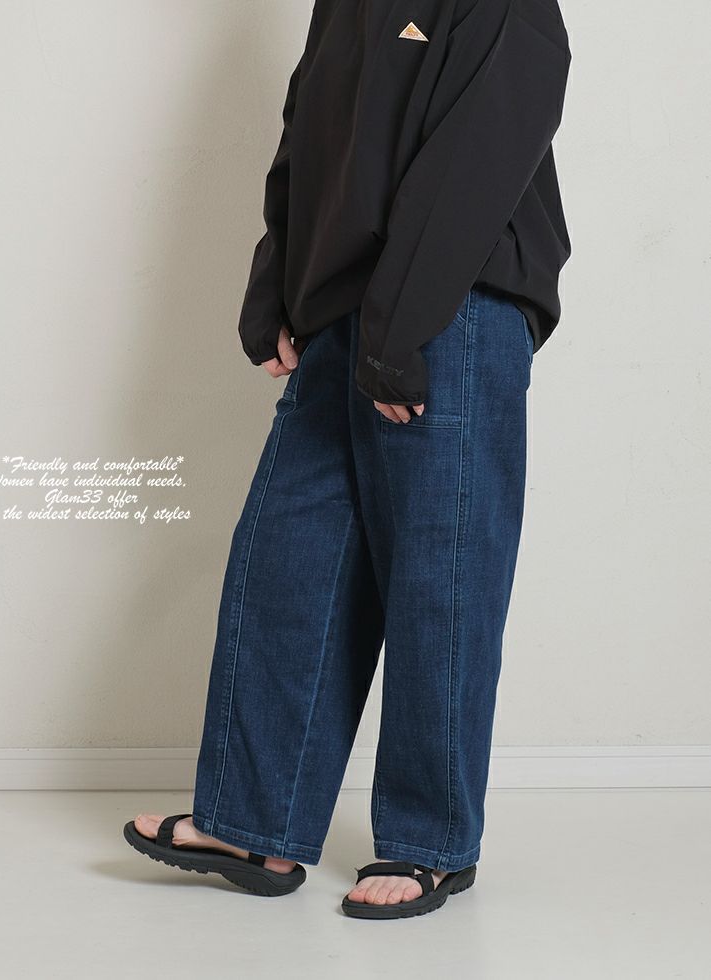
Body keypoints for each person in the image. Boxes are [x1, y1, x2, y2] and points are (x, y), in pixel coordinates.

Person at [124, 0, 571, 920]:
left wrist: (400, 329)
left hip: (451, 311)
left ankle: (429, 842)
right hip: (346, 316)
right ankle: (254, 822)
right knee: (285, 562)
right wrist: (274, 289)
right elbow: (311, 141)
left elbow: (480, 159)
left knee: (441, 580)